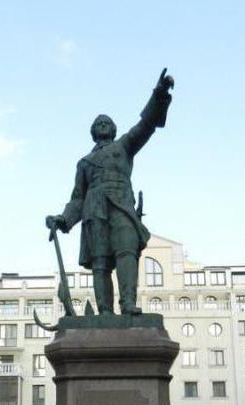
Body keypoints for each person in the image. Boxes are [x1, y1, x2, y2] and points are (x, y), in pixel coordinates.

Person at [46, 69, 174, 315]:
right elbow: (77, 198)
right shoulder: (84, 162)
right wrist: (63, 219)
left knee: (127, 252)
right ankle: (104, 311)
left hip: (121, 207)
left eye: (107, 122)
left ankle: (127, 304)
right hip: (94, 211)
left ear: (114, 129)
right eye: (98, 123)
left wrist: (159, 95)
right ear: (93, 131)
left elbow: (146, 125)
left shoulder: (124, 146)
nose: (103, 124)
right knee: (101, 263)